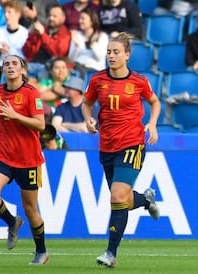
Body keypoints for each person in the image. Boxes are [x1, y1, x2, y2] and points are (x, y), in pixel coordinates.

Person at [81, 32, 161, 268]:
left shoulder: (138, 81)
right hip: (106, 145)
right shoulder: (97, 80)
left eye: (116, 52)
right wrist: (88, 119)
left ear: (127, 55)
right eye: (109, 52)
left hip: (132, 142)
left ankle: (110, 253)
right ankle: (145, 200)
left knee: (116, 196)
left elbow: (155, 102)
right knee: (123, 200)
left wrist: (153, 123)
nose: (111, 56)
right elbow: (87, 103)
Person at [0, 55, 48, 264]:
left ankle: (41, 251)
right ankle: (12, 222)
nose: (10, 67)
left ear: (23, 70)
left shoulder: (31, 93)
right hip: (3, 154)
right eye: (6, 64)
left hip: (28, 159)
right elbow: (1, 115)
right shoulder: (0, 91)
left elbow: (40, 125)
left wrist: (17, 115)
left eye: (14, 64)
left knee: (31, 210)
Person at [22, 4, 71, 79]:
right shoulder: (42, 29)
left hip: (50, 68)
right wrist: (31, 35)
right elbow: (26, 52)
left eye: (54, 16)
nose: (51, 18)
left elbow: (58, 53)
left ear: (63, 18)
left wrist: (43, 35)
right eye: (49, 15)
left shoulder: (65, 34)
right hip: (32, 64)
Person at [0, 0, 28, 78]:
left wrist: (9, 50)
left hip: (15, 71)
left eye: (9, 12)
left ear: (18, 14)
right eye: (5, 12)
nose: (6, 15)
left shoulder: (25, 33)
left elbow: (23, 59)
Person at [68, 7, 108, 75]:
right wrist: (77, 46)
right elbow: (71, 59)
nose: (80, 21)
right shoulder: (77, 35)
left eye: (83, 19)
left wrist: (93, 43)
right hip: (78, 68)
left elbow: (100, 58)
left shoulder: (102, 36)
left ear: (92, 21)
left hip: (94, 70)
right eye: (79, 18)